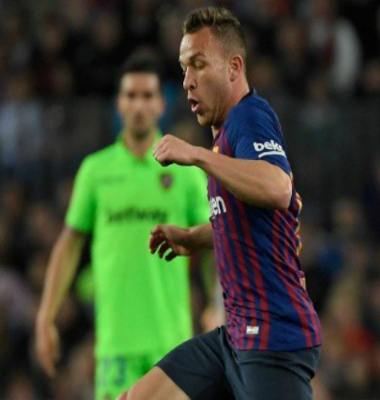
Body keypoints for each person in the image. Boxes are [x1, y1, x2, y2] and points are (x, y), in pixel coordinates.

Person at [120, 7, 322, 400]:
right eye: (184, 69)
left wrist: (195, 155)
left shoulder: (248, 117)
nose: (187, 82)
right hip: (234, 338)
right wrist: (192, 237)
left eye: (198, 65)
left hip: (272, 339)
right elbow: (246, 222)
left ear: (233, 67)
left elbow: (277, 187)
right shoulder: (226, 136)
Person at [35, 52, 209, 400]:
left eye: (147, 95)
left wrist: (218, 303)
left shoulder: (185, 172)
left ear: (161, 104)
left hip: (171, 345)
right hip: (116, 347)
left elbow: (214, 243)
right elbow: (69, 244)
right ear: (119, 103)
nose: (139, 105)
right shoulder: (96, 171)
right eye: (131, 95)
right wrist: (45, 316)